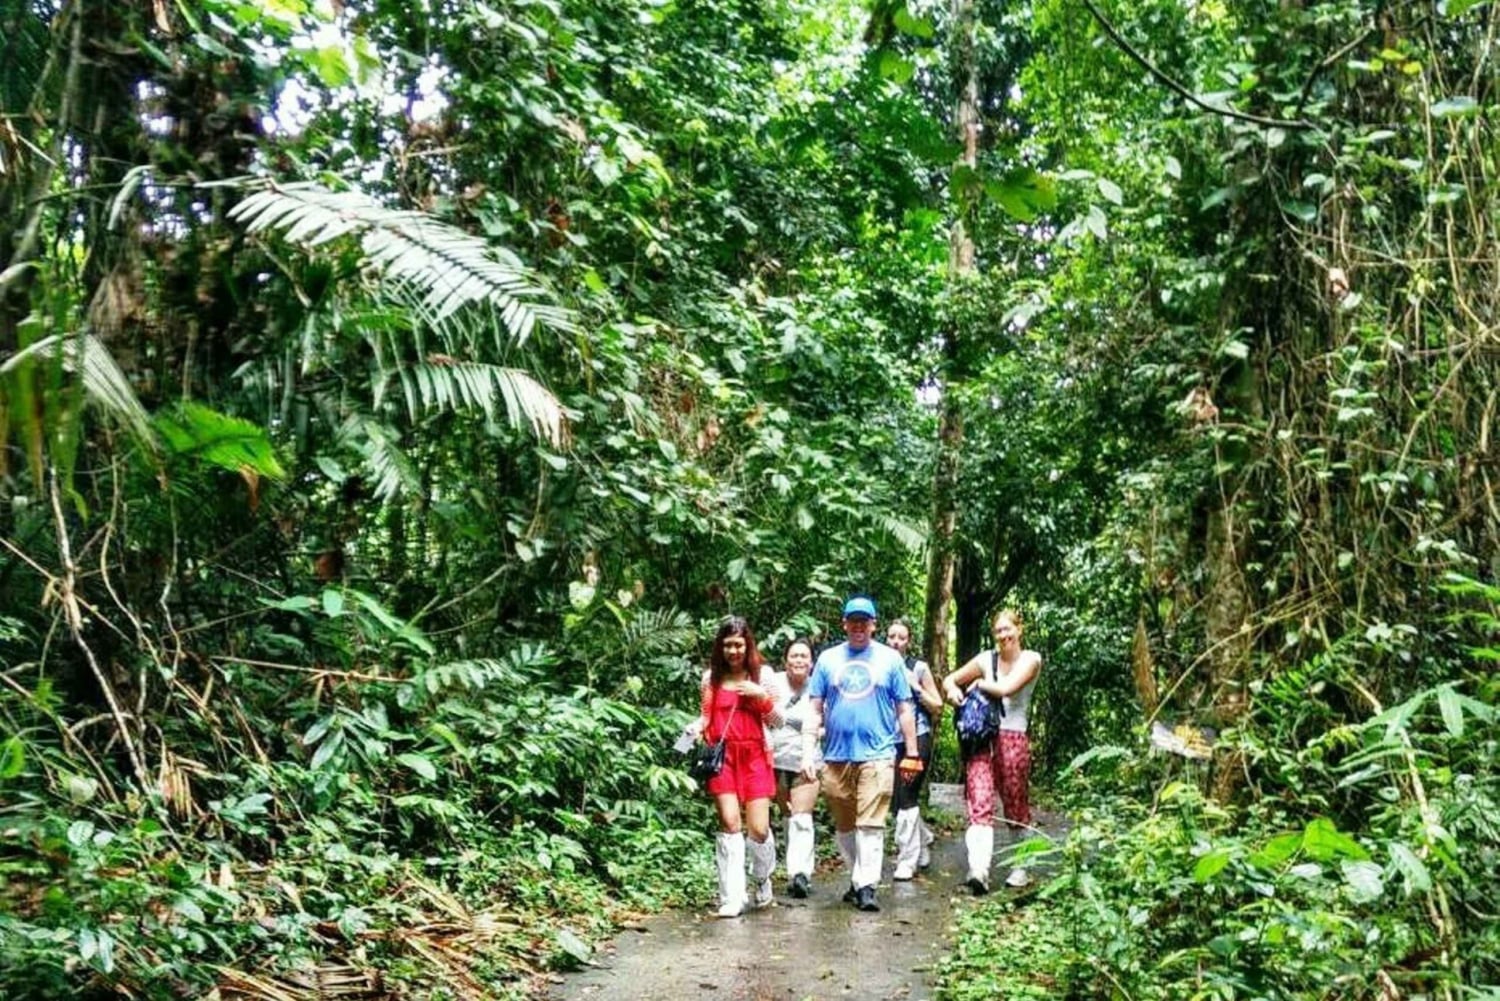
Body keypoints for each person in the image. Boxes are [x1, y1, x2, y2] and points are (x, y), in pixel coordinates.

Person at [801, 596, 922, 912]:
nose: (858, 627)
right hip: (837, 755)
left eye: (864, 621)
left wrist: (911, 752)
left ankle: (867, 886)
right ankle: (858, 875)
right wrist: (807, 752)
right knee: (845, 826)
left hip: (878, 754)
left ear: (873, 625)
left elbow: (904, 708)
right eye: (852, 621)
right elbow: (814, 710)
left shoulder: (890, 660)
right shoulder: (827, 660)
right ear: (844, 624)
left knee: (870, 823)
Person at [942, 609, 1042, 895]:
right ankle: (979, 870)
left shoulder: (1032, 659)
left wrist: (979, 684)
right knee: (980, 800)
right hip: (981, 738)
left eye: (1008, 629)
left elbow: (1008, 689)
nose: (1003, 635)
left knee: (1015, 803)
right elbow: (951, 679)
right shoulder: (986, 659)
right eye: (998, 631)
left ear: (1019, 629)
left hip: (1014, 738)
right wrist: (953, 691)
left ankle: (1021, 866)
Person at [698, 617, 781, 917]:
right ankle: (732, 896)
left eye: (738, 645)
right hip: (724, 759)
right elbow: (706, 718)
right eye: (727, 645)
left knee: (758, 829)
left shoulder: (764, 676)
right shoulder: (711, 679)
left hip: (756, 755)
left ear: (748, 646)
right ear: (720, 647)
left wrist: (761, 697)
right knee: (730, 823)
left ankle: (762, 878)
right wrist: (693, 730)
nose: (733, 651)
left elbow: (779, 720)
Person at [884, 619, 943, 880]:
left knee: (907, 795)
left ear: (909, 641)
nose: (896, 641)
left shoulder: (918, 668)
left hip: (918, 737)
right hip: (888, 740)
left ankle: (908, 859)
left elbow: (937, 705)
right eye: (892, 636)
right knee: (895, 801)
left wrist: (915, 687)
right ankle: (924, 838)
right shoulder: (878, 665)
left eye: (901, 637)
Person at [765, 637, 821, 899]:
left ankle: (800, 873)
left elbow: (828, 722)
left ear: (811, 662)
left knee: (801, 816)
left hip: (806, 759)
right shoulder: (772, 683)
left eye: (804, 656)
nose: (799, 660)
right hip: (774, 759)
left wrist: (810, 730)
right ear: (785, 660)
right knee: (786, 814)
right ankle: (789, 867)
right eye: (794, 656)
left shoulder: (820, 685)